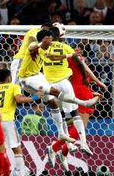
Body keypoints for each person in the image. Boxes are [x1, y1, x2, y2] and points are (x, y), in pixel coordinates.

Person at [17, 29, 100, 143]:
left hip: (37, 76)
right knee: (54, 92)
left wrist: (70, 55)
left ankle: (61, 133)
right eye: (49, 41)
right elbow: (31, 48)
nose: (51, 43)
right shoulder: (35, 45)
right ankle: (83, 103)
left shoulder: (45, 51)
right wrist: (41, 43)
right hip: (27, 78)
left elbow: (54, 57)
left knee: (52, 102)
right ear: (44, 39)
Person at [42, 26, 101, 156]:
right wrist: (99, 83)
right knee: (80, 121)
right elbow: (84, 69)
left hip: (62, 86)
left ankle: (63, 148)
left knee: (67, 116)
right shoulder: (68, 51)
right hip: (77, 88)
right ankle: (57, 148)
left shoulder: (47, 49)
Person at [0, 69, 41, 176]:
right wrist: (35, 98)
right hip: (7, 121)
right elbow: (19, 100)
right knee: (17, 149)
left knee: (0, 150)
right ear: (9, 77)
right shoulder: (13, 86)